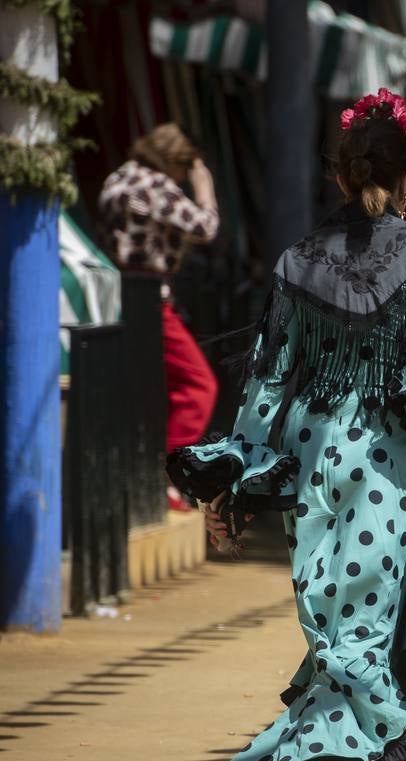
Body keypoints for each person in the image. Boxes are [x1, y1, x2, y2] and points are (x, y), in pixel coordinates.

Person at [165, 90, 406, 761]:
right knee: (370, 625)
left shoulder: (296, 261)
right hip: (399, 465)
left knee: (336, 616)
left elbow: (267, 377)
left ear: (338, 179)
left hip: (314, 455)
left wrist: (237, 475)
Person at [99, 123, 220, 507]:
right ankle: (164, 473)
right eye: (184, 169)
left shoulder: (116, 179)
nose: (183, 177)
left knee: (144, 393)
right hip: (152, 300)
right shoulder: (155, 186)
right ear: (175, 162)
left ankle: (146, 476)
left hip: (115, 297)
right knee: (200, 386)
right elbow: (206, 227)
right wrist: (205, 188)